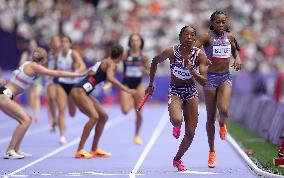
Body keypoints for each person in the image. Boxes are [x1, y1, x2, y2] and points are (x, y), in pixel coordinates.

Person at [0, 47, 83, 159]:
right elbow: (57, 73)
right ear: (44, 60)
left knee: (25, 119)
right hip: (5, 95)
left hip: (5, 94)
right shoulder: (35, 67)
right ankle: (10, 151)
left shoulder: (28, 64)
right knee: (26, 120)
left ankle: (16, 149)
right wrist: (78, 75)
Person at [145, 26, 208, 171]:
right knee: (177, 119)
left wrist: (193, 70)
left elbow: (204, 81)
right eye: (186, 34)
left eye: (192, 35)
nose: (189, 37)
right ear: (180, 37)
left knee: (191, 133)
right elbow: (154, 62)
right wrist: (150, 84)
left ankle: (177, 159)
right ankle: (177, 125)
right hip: (175, 91)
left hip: (191, 92)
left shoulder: (200, 55)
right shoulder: (171, 52)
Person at [71, 44, 136, 158]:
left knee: (103, 116)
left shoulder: (104, 61)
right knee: (94, 117)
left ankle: (94, 149)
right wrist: (126, 89)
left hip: (83, 91)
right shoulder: (111, 63)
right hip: (79, 91)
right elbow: (110, 78)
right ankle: (79, 150)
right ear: (121, 55)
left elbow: (91, 72)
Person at [194, 10, 242, 168]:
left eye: (223, 22)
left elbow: (236, 50)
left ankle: (222, 123)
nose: (221, 24)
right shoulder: (207, 37)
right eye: (218, 22)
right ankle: (212, 152)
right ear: (212, 23)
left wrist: (238, 58)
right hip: (210, 79)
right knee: (209, 118)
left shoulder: (230, 37)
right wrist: (200, 57)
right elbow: (194, 48)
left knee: (224, 110)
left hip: (225, 77)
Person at [120, 33, 150, 145]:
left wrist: (144, 70)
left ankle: (137, 135)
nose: (135, 42)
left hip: (138, 85)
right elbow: (114, 63)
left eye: (137, 40)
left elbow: (149, 71)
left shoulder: (144, 56)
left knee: (139, 113)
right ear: (130, 42)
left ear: (140, 42)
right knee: (125, 111)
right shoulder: (125, 54)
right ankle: (131, 100)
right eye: (132, 40)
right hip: (126, 84)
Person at [56, 35, 86, 144]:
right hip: (62, 83)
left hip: (73, 85)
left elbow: (83, 66)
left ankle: (63, 124)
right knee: (61, 110)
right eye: (62, 41)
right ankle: (62, 136)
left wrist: (76, 72)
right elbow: (53, 69)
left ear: (70, 44)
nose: (64, 44)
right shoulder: (57, 55)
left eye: (66, 42)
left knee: (72, 113)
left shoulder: (73, 54)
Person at [19, 39, 43, 123]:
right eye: (31, 45)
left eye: (34, 45)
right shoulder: (26, 54)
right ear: (29, 46)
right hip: (29, 78)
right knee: (31, 98)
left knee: (36, 95)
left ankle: (36, 115)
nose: (32, 47)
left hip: (37, 78)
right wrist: (27, 63)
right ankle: (30, 114)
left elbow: (42, 64)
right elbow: (21, 62)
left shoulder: (39, 55)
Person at [46, 35, 61, 132]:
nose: (55, 43)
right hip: (50, 78)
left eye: (57, 41)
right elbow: (46, 64)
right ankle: (53, 120)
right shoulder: (50, 53)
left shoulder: (63, 53)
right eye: (53, 41)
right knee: (51, 98)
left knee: (58, 100)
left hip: (61, 77)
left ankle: (58, 119)